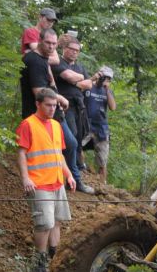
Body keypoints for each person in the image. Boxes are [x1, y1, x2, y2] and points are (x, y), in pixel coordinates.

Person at [20, 28, 93, 193]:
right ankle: (71, 180)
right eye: (48, 43)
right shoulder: (35, 61)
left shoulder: (43, 59)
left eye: (54, 44)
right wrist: (60, 98)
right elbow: (39, 92)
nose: (51, 47)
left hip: (52, 112)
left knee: (67, 144)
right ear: (39, 40)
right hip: (41, 114)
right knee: (69, 143)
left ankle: (65, 179)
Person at [15, 88, 76, 272]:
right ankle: (39, 265)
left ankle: (54, 260)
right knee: (44, 224)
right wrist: (26, 178)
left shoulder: (57, 125)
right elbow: (21, 153)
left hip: (57, 181)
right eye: (48, 105)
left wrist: (69, 174)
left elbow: (59, 154)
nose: (52, 109)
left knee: (57, 221)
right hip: (39, 183)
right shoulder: (28, 124)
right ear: (38, 104)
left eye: (54, 105)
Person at [52, 34, 95, 186]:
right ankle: (70, 175)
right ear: (64, 48)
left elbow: (89, 84)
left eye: (77, 50)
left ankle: (73, 173)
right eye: (71, 49)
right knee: (71, 138)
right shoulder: (58, 62)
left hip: (79, 107)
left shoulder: (80, 67)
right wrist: (79, 81)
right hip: (65, 106)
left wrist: (78, 80)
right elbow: (69, 76)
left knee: (78, 138)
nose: (74, 52)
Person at [82, 66, 116, 185]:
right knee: (77, 147)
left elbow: (113, 107)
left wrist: (107, 90)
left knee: (102, 160)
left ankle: (102, 185)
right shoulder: (88, 85)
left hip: (101, 128)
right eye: (103, 76)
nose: (105, 79)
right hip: (85, 124)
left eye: (108, 78)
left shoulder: (108, 91)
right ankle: (82, 173)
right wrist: (93, 79)